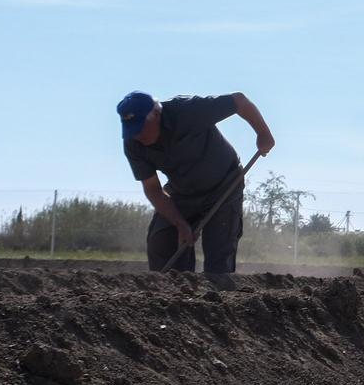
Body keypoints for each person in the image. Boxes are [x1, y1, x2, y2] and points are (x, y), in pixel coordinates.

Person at [118, 91, 276, 274]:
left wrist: (263, 133)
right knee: (162, 241)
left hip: (223, 186)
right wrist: (180, 223)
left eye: (142, 127)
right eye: (133, 130)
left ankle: (217, 296)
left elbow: (239, 100)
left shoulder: (187, 111)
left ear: (156, 114)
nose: (138, 135)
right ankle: (175, 296)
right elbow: (153, 189)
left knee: (218, 256)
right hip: (182, 192)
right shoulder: (132, 144)